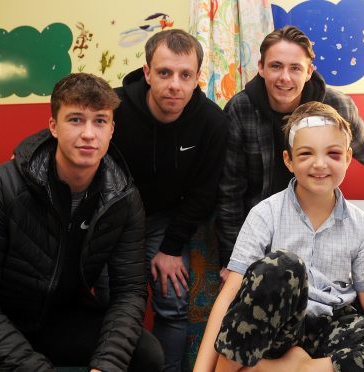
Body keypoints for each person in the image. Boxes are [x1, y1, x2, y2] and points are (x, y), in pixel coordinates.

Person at [194, 101, 364, 371]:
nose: (320, 164)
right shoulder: (265, 214)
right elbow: (230, 297)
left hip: (333, 328)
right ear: (288, 160)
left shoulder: (360, 224)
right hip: (279, 330)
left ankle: (300, 368)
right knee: (284, 265)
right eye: (306, 154)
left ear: (347, 158)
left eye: (333, 154)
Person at [0, 73, 163, 371]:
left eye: (100, 121)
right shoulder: (0, 186)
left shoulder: (123, 199)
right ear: (53, 126)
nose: (89, 134)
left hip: (59, 318)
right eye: (76, 120)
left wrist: (107, 365)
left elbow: (129, 294)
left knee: (147, 353)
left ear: (111, 130)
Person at [216, 26, 364, 275]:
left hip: (317, 223)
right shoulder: (241, 108)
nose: (285, 78)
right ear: (261, 67)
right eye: (276, 66)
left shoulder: (335, 106)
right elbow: (230, 190)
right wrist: (231, 260)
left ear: (309, 71)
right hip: (262, 229)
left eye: (295, 68)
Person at [112, 29, 229, 371]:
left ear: (197, 79)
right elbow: (67, 128)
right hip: (113, 219)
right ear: (147, 73)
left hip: (164, 220)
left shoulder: (212, 123)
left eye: (185, 75)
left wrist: (170, 248)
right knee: (111, 305)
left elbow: (205, 192)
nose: (174, 85)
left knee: (174, 303)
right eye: (164, 73)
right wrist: (28, 151)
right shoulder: (114, 107)